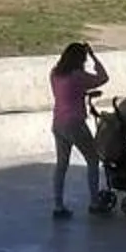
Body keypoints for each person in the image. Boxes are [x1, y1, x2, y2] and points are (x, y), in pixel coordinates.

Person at [48, 41, 111, 219]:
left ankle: (58, 205)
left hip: (58, 122)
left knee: (61, 165)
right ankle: (94, 202)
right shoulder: (78, 76)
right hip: (75, 124)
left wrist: (82, 94)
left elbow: (67, 93)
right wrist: (93, 56)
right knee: (93, 158)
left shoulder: (55, 73)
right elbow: (103, 77)